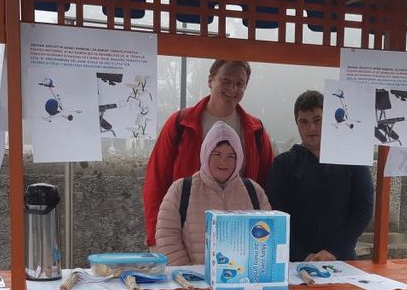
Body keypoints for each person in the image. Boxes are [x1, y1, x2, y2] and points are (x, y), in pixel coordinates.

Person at [143, 60, 274, 247]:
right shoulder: (180, 123)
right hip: (186, 236)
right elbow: (156, 180)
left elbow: (266, 184)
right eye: (226, 80)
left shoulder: (255, 130)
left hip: (239, 238)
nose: (233, 88)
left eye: (239, 83)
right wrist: (155, 239)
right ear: (210, 80)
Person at [266, 90, 373, 262]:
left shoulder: (351, 160)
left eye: (318, 120)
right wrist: (300, 255)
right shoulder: (283, 164)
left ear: (329, 120)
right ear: (296, 124)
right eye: (304, 122)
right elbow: (274, 213)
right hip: (294, 263)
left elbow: (364, 208)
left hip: (342, 260)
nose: (311, 128)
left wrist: (335, 250)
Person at [154, 121, 271, 266]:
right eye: (217, 154)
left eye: (231, 156)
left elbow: (267, 234)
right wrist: (187, 272)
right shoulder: (181, 190)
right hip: (194, 277)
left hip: (242, 276)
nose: (224, 161)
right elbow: (167, 235)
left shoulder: (254, 191)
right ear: (206, 154)